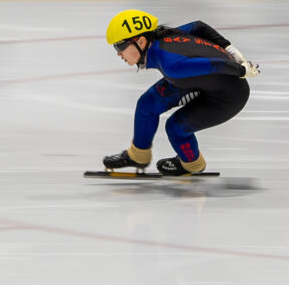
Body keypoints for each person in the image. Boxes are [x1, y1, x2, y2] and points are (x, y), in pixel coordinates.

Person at [101, 9, 259, 175]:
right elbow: (199, 26)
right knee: (147, 104)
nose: (118, 53)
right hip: (203, 78)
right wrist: (229, 48)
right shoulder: (162, 39)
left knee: (176, 127)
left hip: (228, 97)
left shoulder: (170, 65)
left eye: (120, 46)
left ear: (141, 41)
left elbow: (213, 65)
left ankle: (192, 164)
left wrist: (241, 70)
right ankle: (138, 155)